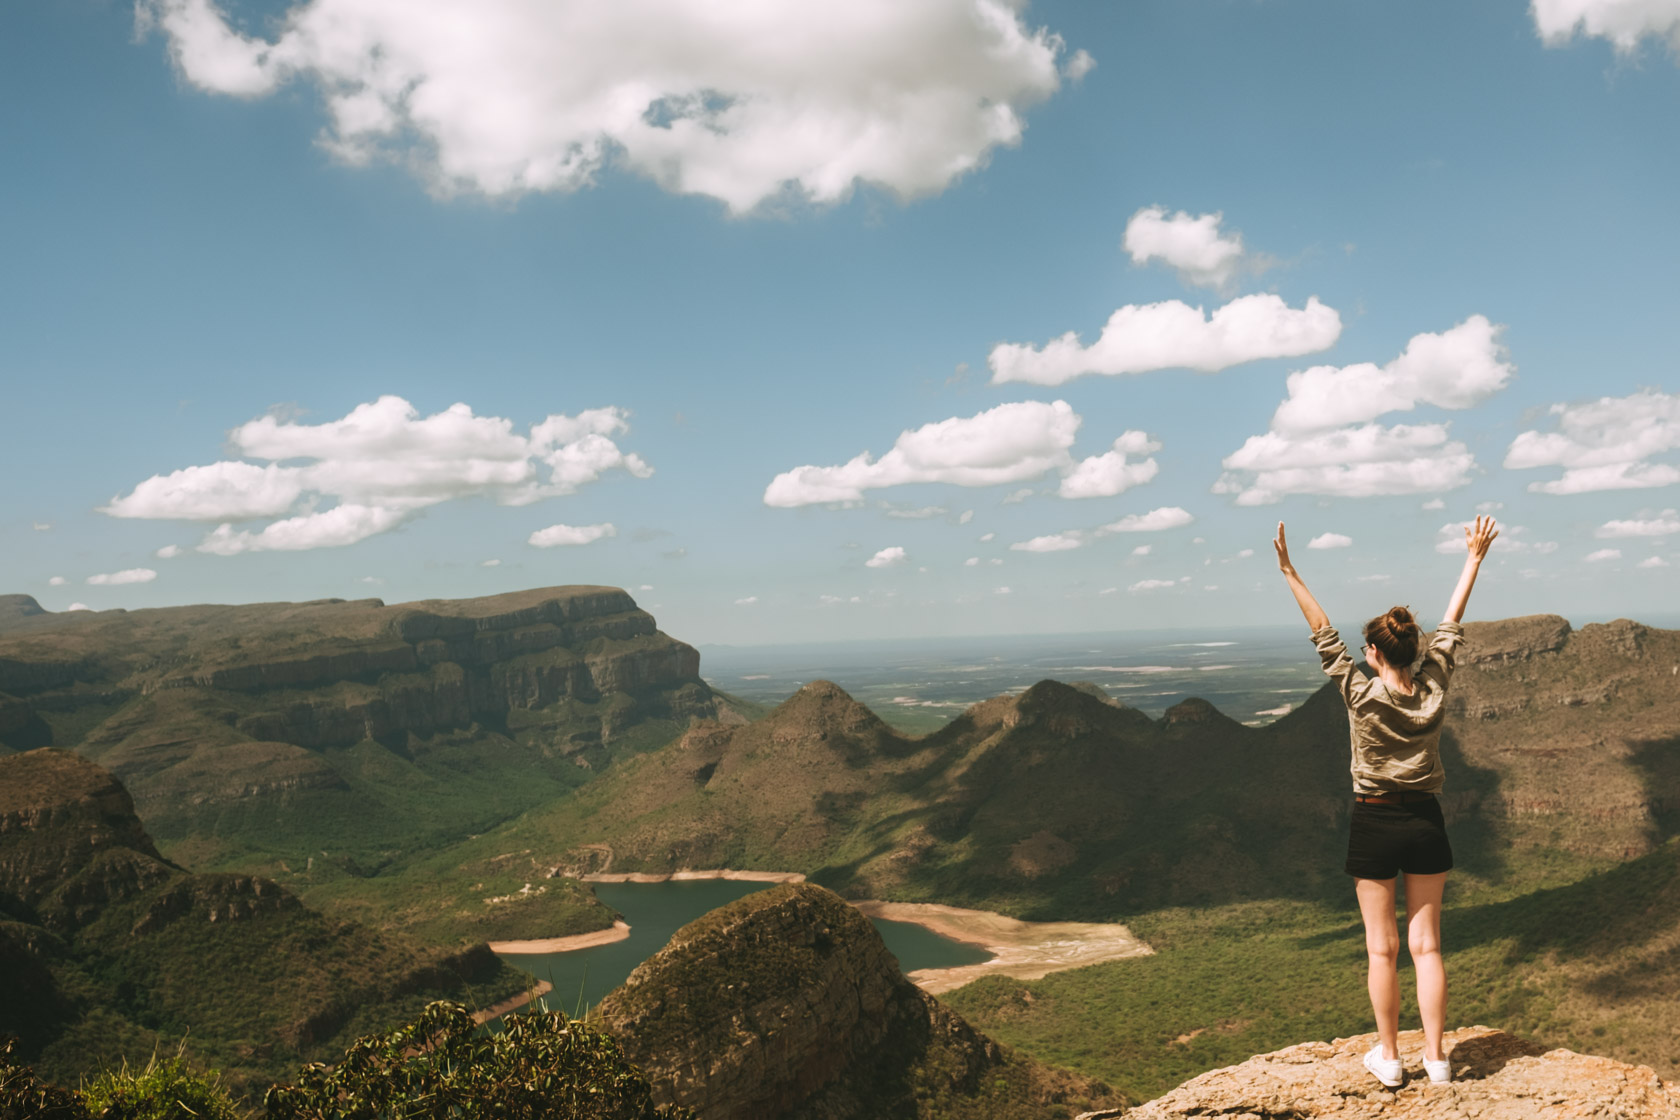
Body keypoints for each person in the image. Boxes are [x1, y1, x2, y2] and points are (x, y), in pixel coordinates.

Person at [1272, 515, 1498, 1088]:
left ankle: (1390, 1059)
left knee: (1382, 949)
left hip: (1373, 820)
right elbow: (1453, 621)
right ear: (1414, 650)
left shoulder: (1359, 691)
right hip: (1425, 821)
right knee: (1428, 947)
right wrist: (1474, 558)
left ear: (1372, 650)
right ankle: (1439, 1060)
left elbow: (1322, 631)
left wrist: (1290, 572)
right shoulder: (1435, 684)